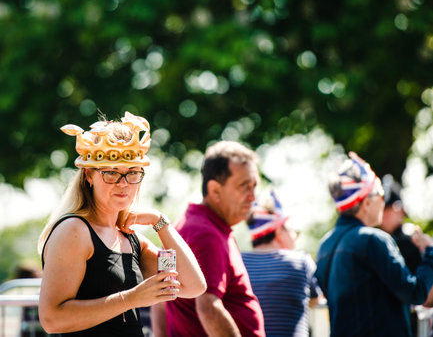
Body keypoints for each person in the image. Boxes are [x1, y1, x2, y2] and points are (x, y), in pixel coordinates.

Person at [38, 111, 206, 337]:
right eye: (111, 173)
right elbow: (52, 319)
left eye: (133, 173)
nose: (123, 184)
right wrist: (131, 298)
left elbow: (194, 286)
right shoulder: (74, 230)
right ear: (89, 175)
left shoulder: (129, 237)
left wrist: (159, 222)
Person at [151, 140, 265, 336]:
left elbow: (160, 301)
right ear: (215, 190)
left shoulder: (185, 226)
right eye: (244, 186)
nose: (253, 196)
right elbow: (209, 309)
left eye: (254, 185)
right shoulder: (206, 234)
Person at [315, 151, 433, 337]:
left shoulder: (325, 245)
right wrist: (429, 252)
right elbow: (416, 293)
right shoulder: (373, 239)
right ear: (366, 202)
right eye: (380, 193)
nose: (382, 200)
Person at [242, 190, 322, 337]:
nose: (295, 236)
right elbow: (316, 299)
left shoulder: (238, 262)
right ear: (278, 230)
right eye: (293, 230)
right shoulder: (301, 262)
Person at [380, 174, 422, 274]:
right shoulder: (377, 239)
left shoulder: (412, 239)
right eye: (382, 210)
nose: (383, 216)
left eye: (388, 210)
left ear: (400, 210)